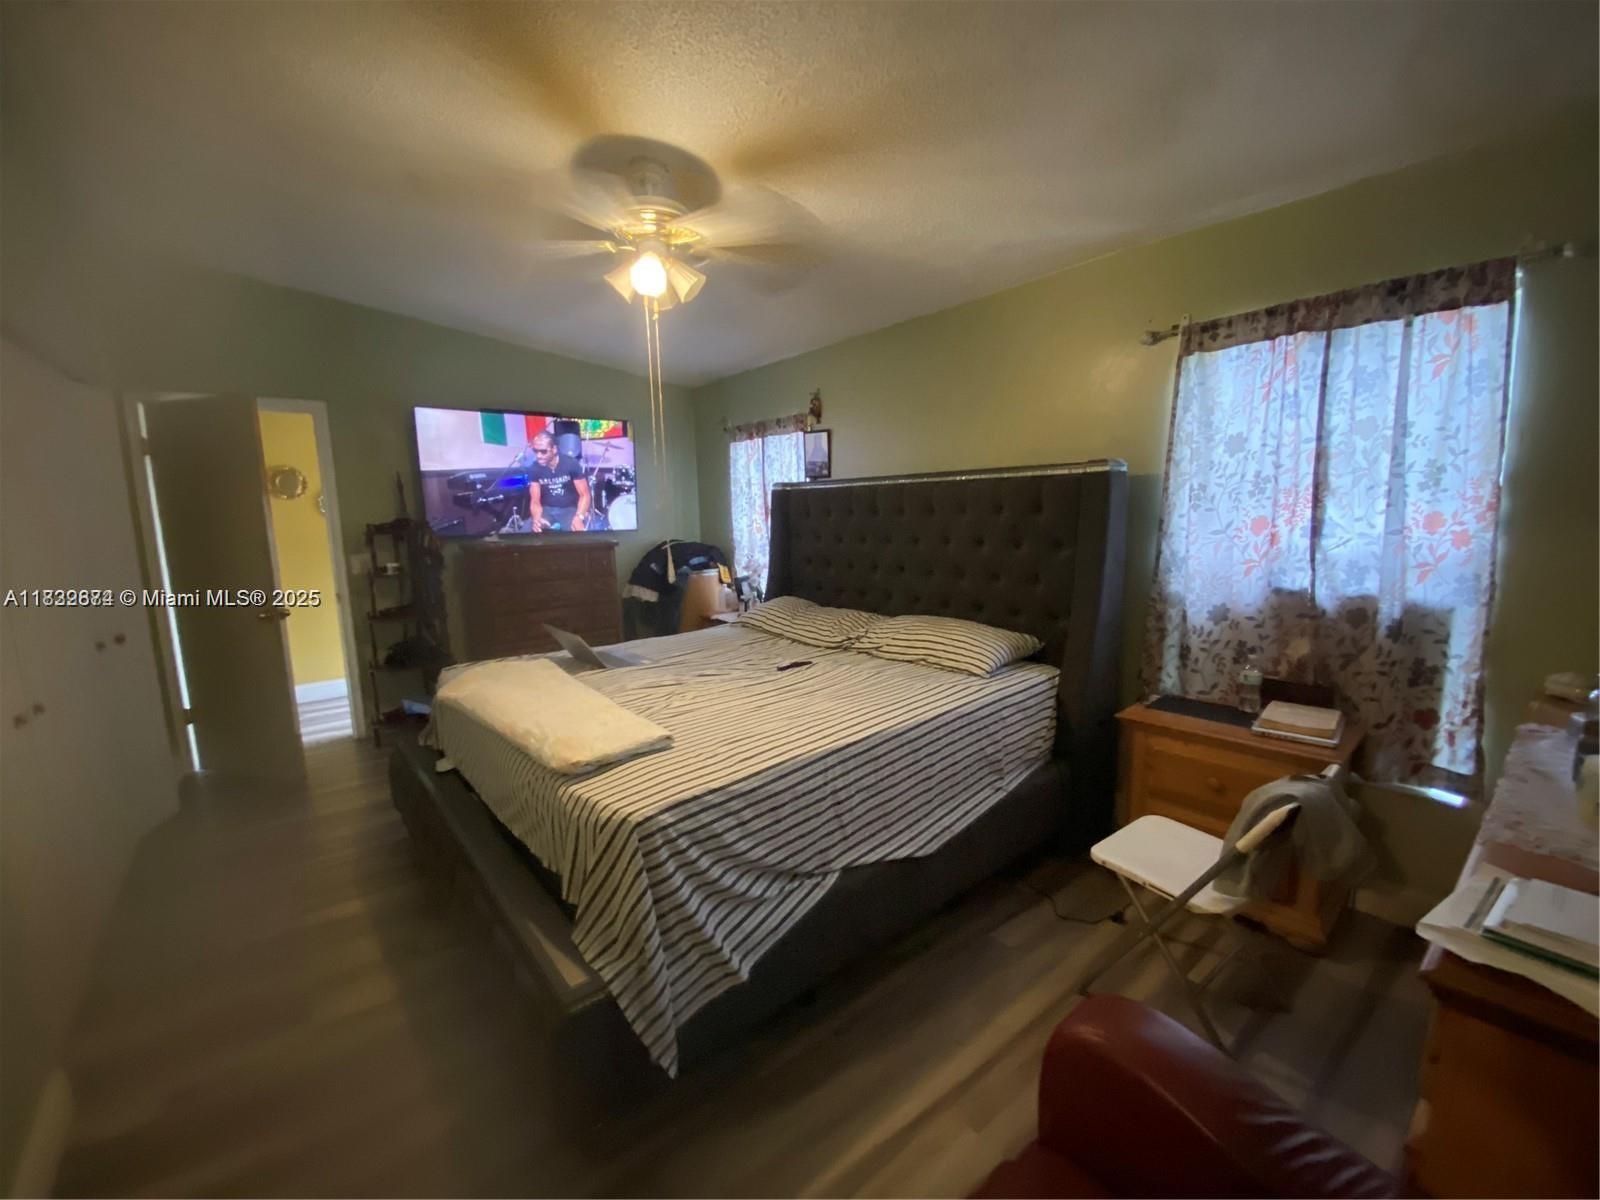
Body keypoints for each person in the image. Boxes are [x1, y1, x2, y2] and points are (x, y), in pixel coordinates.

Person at [524, 431, 591, 531]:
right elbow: (535, 500)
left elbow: (585, 495)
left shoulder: (570, 463)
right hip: (547, 509)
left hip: (570, 509)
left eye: (543, 451)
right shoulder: (534, 468)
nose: (538, 455)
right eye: (535, 451)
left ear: (554, 449)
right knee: (524, 532)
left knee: (577, 533)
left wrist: (579, 517)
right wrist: (537, 518)